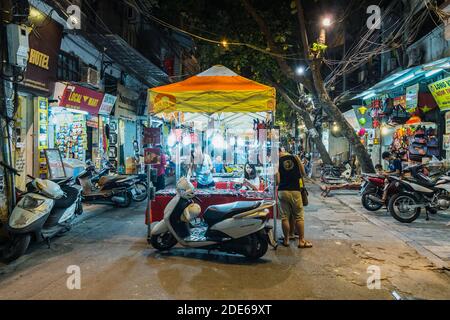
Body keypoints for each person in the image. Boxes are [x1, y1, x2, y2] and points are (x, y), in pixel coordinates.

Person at [276, 148, 312, 249]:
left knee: (284, 217)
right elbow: (304, 173)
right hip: (295, 190)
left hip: (283, 191)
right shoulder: (295, 158)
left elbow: (277, 181)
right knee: (299, 217)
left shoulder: (277, 162)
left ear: (278, 153)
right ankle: (301, 241)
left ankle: (286, 240)